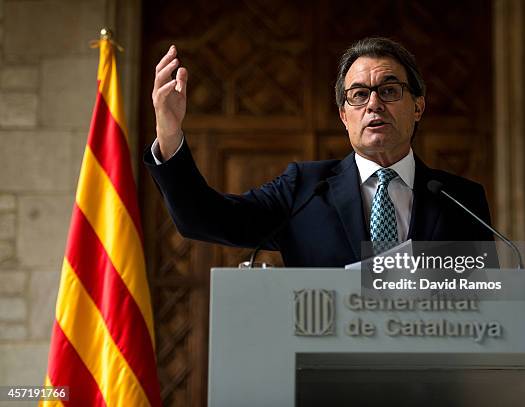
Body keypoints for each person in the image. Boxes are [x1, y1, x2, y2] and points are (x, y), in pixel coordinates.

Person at [144, 37, 494, 267]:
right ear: (344, 115)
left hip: (432, 376)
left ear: (417, 106)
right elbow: (204, 218)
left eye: (389, 90)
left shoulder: (461, 201)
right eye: (358, 94)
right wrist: (169, 132)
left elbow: (487, 308)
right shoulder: (305, 189)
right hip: (325, 375)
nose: (374, 104)